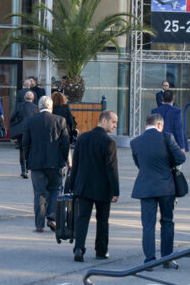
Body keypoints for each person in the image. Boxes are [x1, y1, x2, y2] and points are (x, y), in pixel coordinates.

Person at [130, 113, 186, 269]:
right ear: (160, 125)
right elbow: (181, 158)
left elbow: (139, 163)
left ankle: (149, 259)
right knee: (167, 221)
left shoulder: (135, 142)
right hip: (166, 187)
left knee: (148, 224)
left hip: (145, 186)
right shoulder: (167, 137)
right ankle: (166, 258)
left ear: (146, 125)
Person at [66, 110, 119, 263]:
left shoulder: (82, 138)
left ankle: (79, 248)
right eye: (113, 122)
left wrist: (71, 185)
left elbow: (75, 164)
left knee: (82, 218)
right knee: (102, 220)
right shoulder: (109, 142)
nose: (115, 125)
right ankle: (101, 250)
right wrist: (115, 191)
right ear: (104, 120)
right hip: (102, 188)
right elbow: (112, 169)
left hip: (83, 186)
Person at [23, 95, 70, 233]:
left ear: (39, 108)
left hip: (36, 163)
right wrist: (65, 159)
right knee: (55, 189)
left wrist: (27, 161)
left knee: (39, 194)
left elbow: (25, 144)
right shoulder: (60, 120)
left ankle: (39, 224)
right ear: (52, 107)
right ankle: (51, 216)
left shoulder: (30, 121)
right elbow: (65, 143)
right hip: (55, 163)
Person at [10, 91, 38, 178]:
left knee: (22, 150)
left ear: (25, 98)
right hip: (32, 131)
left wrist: (14, 124)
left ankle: (23, 170)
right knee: (31, 149)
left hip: (21, 131)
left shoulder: (19, 106)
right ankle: (28, 167)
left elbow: (12, 117)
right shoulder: (36, 107)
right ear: (33, 98)